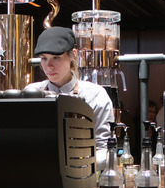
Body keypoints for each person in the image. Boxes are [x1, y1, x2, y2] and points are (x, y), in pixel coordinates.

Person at [25, 27, 114, 171]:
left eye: (56, 57)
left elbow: (105, 149)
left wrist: (74, 165)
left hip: (81, 177)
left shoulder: (95, 95)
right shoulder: (31, 92)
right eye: (44, 58)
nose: (49, 66)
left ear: (72, 55)